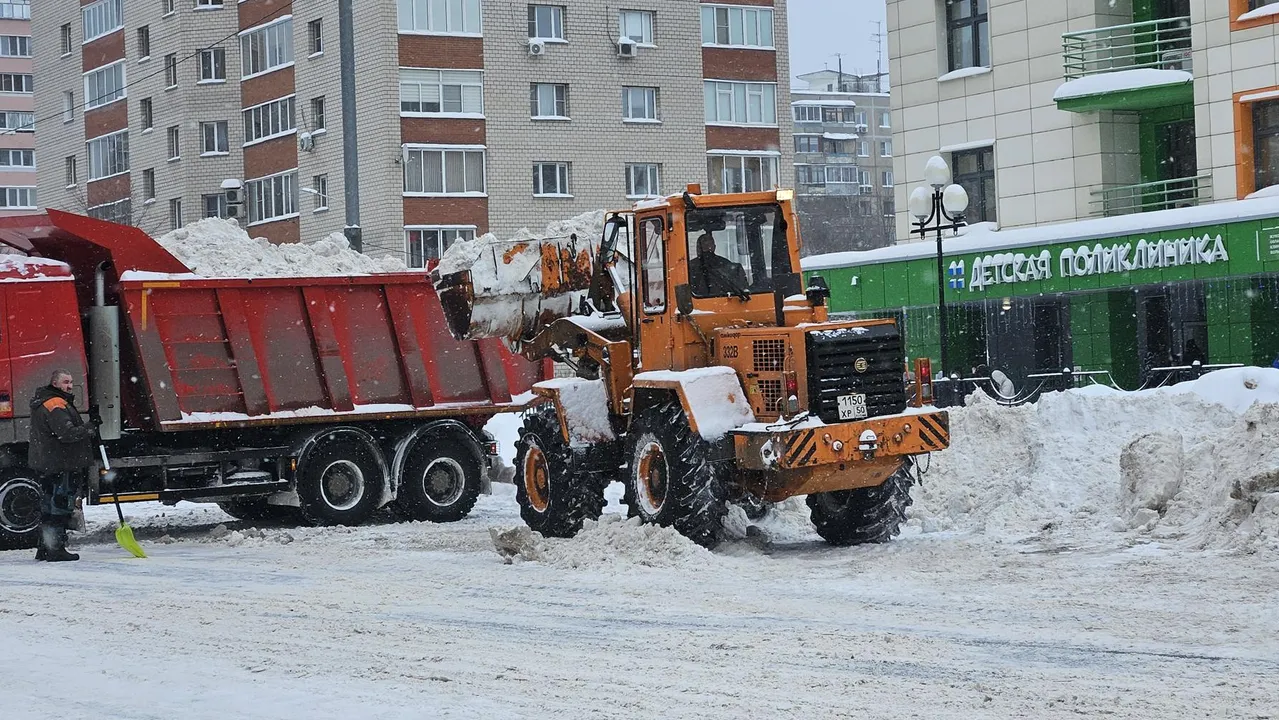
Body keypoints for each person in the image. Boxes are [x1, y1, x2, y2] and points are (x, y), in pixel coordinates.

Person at [28, 369, 98, 562]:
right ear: (55, 383)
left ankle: (45, 547)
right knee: (60, 505)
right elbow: (67, 434)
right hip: (61, 463)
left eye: (71, 382)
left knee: (48, 506)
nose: (69, 385)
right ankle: (56, 548)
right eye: (65, 382)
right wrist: (90, 427)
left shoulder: (45, 401)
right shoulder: (56, 404)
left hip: (49, 463)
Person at [688, 231, 749, 298]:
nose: (708, 246)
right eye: (705, 243)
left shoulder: (690, 266)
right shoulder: (724, 263)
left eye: (709, 243)